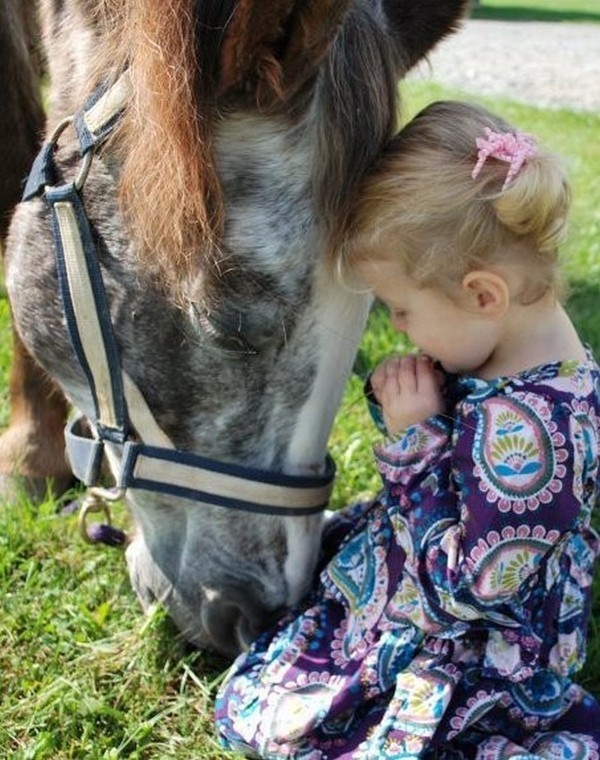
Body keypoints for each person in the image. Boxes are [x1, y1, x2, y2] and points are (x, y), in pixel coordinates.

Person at [214, 100, 600, 759]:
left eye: (402, 308)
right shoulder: (509, 360)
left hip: (480, 641)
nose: (394, 326)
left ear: (483, 295)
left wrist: (418, 440)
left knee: (312, 723)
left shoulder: (536, 439)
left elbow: (467, 597)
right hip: (434, 572)